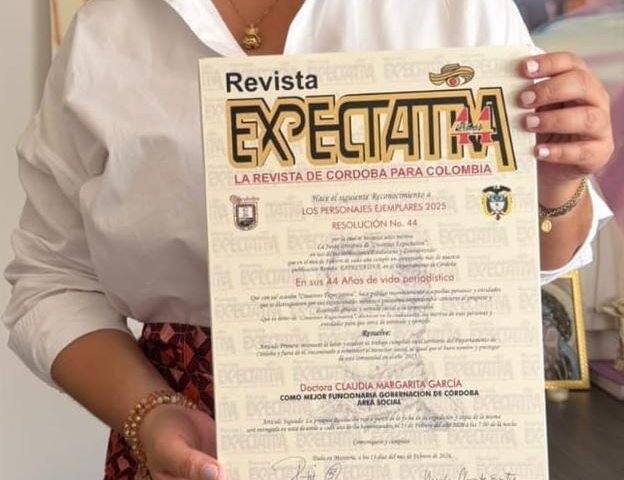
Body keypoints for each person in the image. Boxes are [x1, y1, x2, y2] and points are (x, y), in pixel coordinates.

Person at [1, 0, 613, 479]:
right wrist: (150, 413)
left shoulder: (456, 10)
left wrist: (558, 185)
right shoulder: (108, 31)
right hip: (185, 443)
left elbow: (528, 256)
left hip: (428, 430)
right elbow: (51, 279)